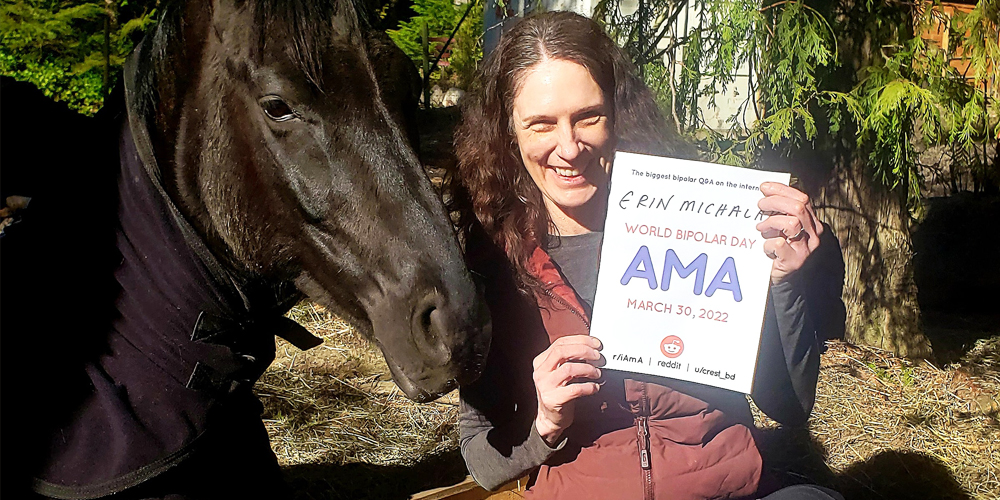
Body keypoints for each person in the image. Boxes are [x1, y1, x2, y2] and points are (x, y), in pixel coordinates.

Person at [454, 11, 847, 500]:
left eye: (587, 117)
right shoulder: (497, 264)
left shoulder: (701, 223)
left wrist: (786, 283)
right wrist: (546, 423)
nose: (569, 147)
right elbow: (482, 460)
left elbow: (788, 406)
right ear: (509, 134)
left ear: (617, 115)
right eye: (540, 125)